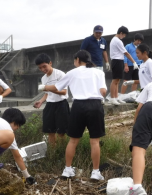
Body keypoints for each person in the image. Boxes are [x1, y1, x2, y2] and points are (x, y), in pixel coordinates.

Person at [38, 50, 107, 181]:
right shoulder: (99, 72)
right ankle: (95, 172)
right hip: (95, 105)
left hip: (78, 106)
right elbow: (103, 91)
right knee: (95, 141)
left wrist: (44, 87)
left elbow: (57, 87)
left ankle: (67, 169)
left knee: (73, 140)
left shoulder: (71, 73)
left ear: (77, 60)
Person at [33, 53, 70, 145]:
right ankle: (53, 153)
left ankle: (62, 151)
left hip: (61, 104)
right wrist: (41, 101)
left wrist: (48, 88)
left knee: (61, 132)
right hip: (50, 105)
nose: (42, 69)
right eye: (40, 68)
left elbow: (64, 92)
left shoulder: (60, 74)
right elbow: (47, 94)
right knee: (50, 131)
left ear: (50, 63)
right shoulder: (43, 78)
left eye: (44, 66)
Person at [109, 26, 139, 105]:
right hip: (117, 61)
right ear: (121, 33)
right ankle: (113, 98)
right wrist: (134, 62)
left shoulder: (115, 40)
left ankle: (116, 97)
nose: (124, 37)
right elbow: (126, 53)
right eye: (124, 35)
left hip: (118, 61)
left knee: (117, 81)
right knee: (115, 80)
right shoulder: (117, 41)